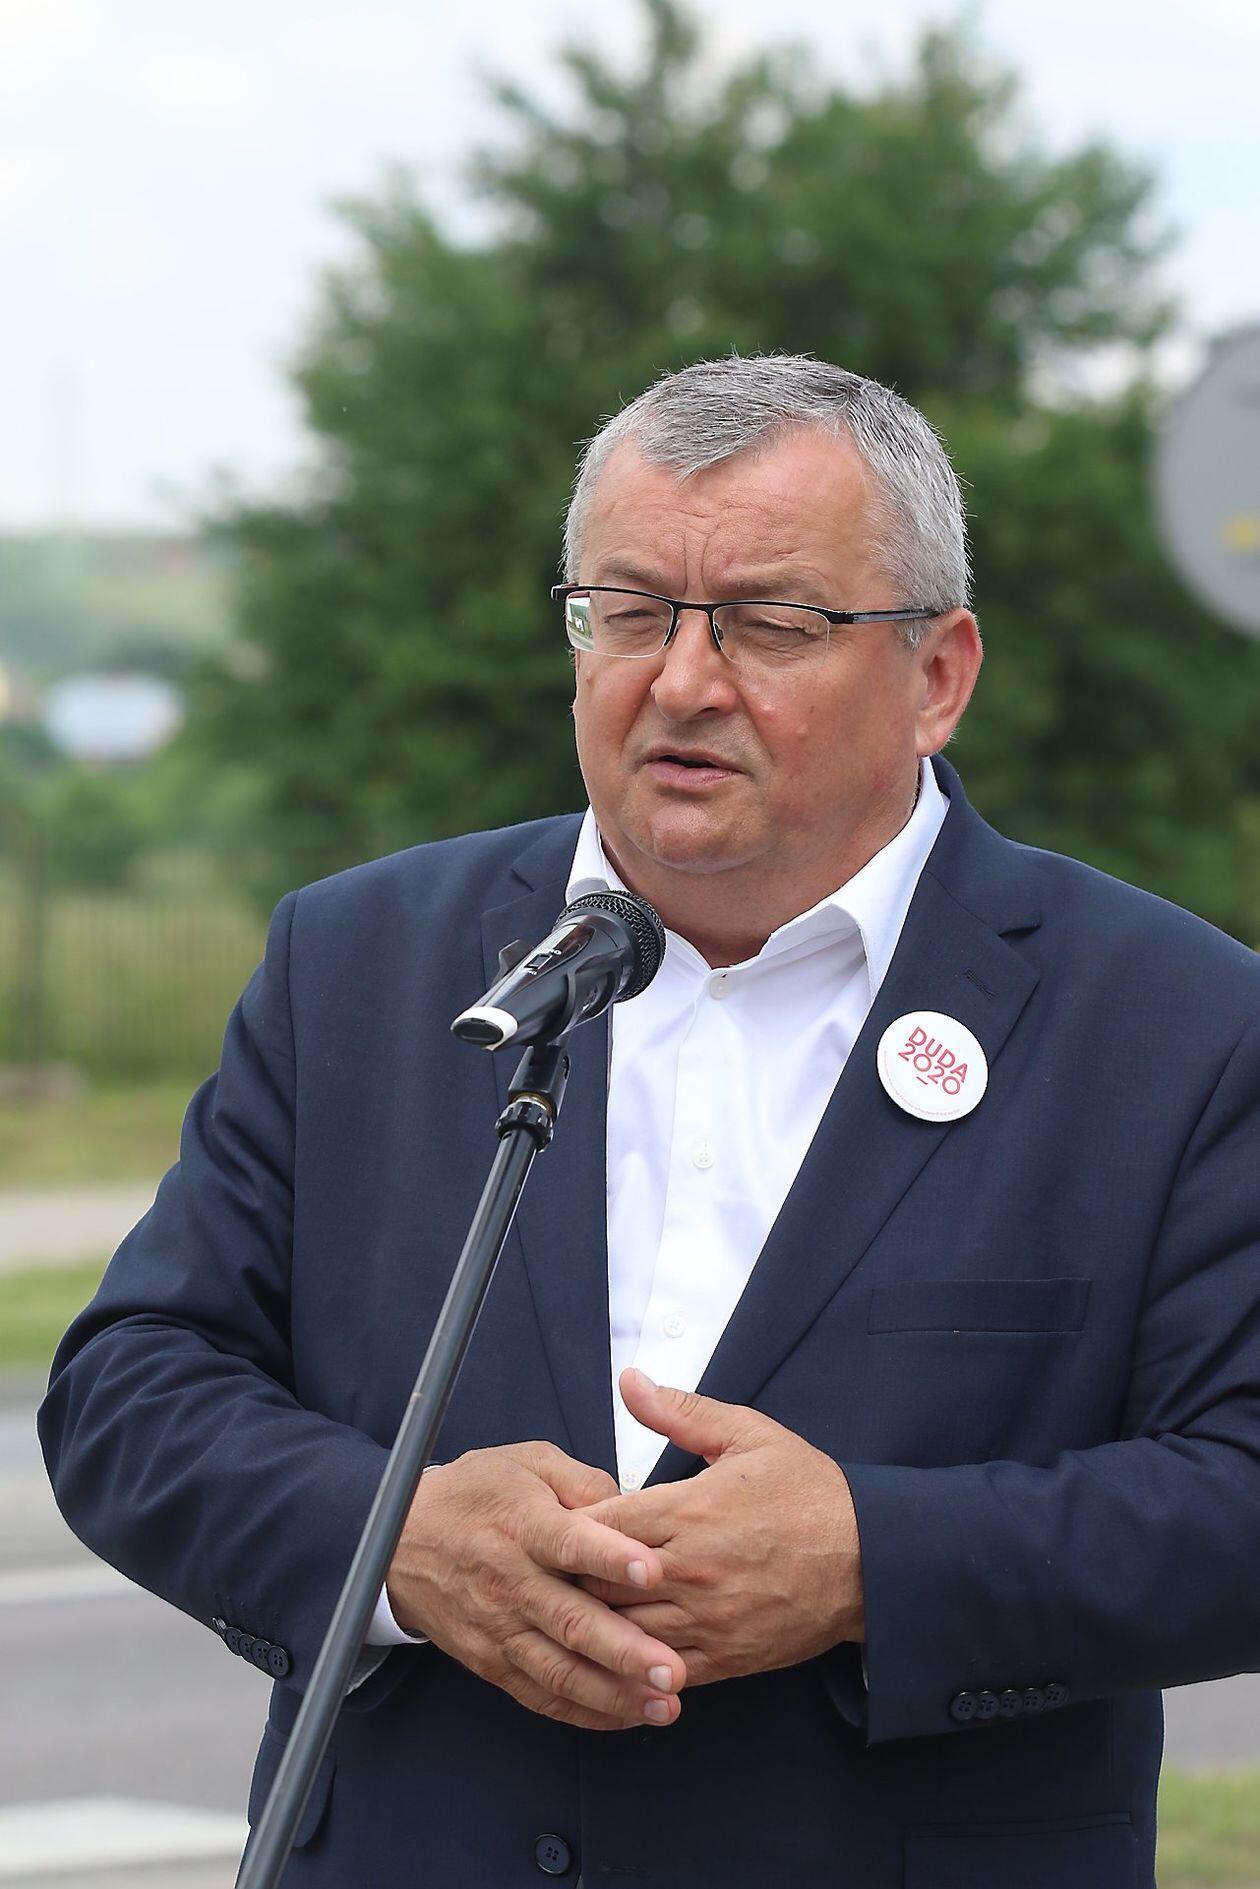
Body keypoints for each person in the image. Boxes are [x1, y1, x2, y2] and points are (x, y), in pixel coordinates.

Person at [40, 355, 1260, 1888]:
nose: (681, 679)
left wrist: (872, 1559)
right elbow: (132, 1389)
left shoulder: (1174, 1021)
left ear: (938, 675)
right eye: (627, 611)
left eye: (771, 621)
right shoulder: (358, 963)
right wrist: (397, 1538)